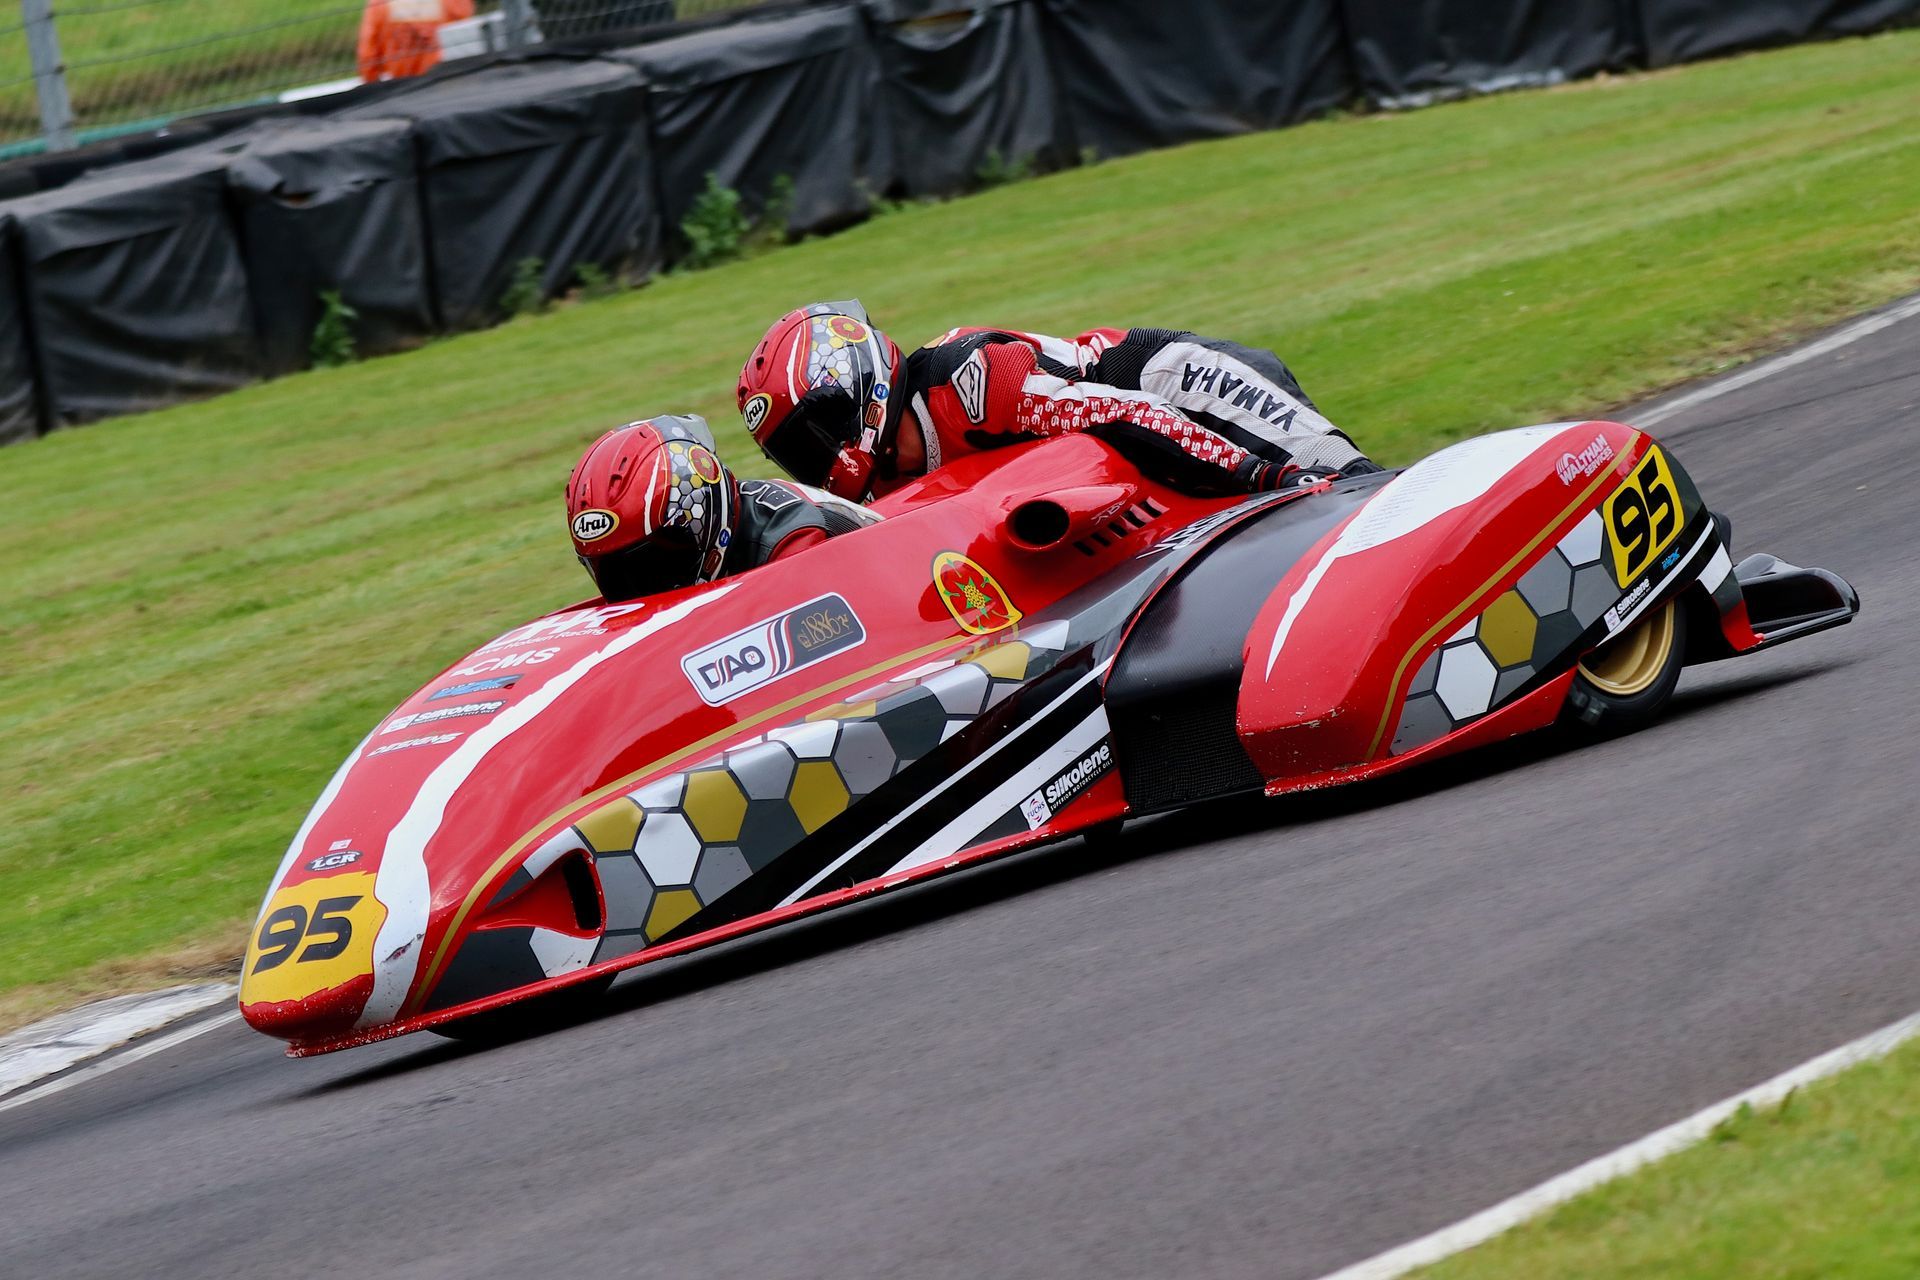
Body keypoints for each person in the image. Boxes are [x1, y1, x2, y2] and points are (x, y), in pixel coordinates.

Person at [735, 300, 1378, 503]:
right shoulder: (886, 488)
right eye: (790, 454)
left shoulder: (974, 382)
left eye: (809, 436)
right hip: (1133, 453)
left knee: (1340, 487)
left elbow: (1127, 416)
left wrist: (1263, 475)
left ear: (852, 390)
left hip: (1176, 385)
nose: (810, 463)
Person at [565, 415, 875, 603]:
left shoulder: (795, 543)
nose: (636, 592)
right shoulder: (726, 543)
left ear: (701, 525)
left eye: (649, 568)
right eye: (614, 577)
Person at [357, 0, 476, 83]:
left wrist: (372, 87)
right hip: (449, 81)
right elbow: (469, 38)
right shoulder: (454, 2)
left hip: (404, 89)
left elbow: (368, 57)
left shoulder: (378, 4)